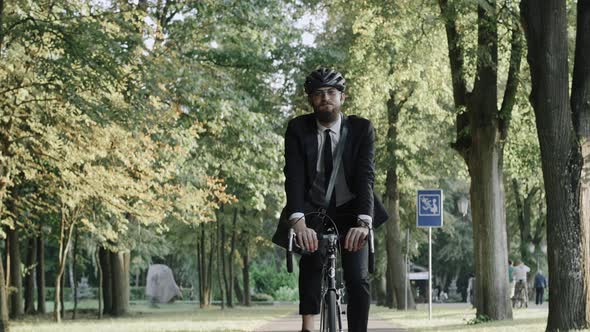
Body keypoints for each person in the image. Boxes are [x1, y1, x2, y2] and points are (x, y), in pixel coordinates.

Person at [281, 67, 388, 332]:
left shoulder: (362, 129)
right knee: (311, 259)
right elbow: (293, 176)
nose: (325, 98)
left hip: (353, 210)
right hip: (312, 210)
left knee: (357, 278)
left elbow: (366, 177)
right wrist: (298, 221)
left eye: (331, 92)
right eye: (318, 94)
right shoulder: (297, 129)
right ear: (311, 100)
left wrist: (364, 223)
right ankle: (308, 325)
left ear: (342, 97)